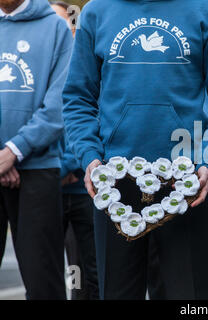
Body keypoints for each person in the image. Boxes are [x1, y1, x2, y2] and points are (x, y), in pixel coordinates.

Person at [63, 0, 208, 300]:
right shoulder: (95, 12)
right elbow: (78, 98)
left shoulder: (207, 12)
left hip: (185, 187)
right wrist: (90, 158)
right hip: (115, 187)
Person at [0, 0, 72, 299]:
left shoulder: (56, 27)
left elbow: (60, 103)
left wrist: (14, 151)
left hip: (39, 169)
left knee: (43, 281)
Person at [50, 0, 99, 300]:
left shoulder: (88, 62)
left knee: (89, 272)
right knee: (57, 273)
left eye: (67, 23)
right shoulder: (49, 63)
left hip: (84, 188)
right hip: (50, 187)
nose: (63, 30)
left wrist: (69, 164)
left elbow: (89, 117)